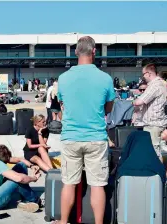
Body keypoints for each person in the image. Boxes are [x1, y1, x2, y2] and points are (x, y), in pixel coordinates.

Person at [55, 36, 115, 224]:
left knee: (69, 184)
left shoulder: (63, 78)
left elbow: (63, 106)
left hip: (71, 137)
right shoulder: (105, 78)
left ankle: (64, 222)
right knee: (97, 186)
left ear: (75, 52)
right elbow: (109, 108)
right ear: (94, 52)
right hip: (96, 138)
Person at [0, 144, 41, 212]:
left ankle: (25, 198)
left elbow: (19, 159)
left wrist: (31, 166)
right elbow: (19, 178)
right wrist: (34, 178)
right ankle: (35, 201)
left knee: (21, 165)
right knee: (16, 180)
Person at [133, 64, 167, 161]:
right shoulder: (160, 84)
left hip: (153, 123)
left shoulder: (155, 85)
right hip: (156, 122)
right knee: (154, 150)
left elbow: (139, 101)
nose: (143, 77)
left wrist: (134, 101)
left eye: (143, 74)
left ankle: (159, 174)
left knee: (154, 152)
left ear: (148, 73)